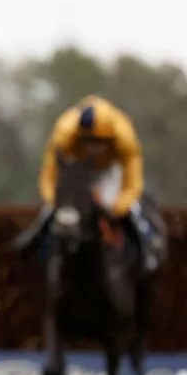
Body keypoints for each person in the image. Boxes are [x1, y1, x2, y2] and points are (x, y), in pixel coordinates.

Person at [36, 94, 165, 273]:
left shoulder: (124, 136)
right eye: (87, 141)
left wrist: (117, 208)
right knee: (53, 211)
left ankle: (148, 241)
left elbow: (133, 184)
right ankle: (37, 247)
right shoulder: (64, 133)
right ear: (79, 136)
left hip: (110, 167)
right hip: (77, 168)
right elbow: (49, 177)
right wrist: (55, 203)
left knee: (132, 207)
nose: (92, 148)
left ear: (110, 138)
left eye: (99, 142)